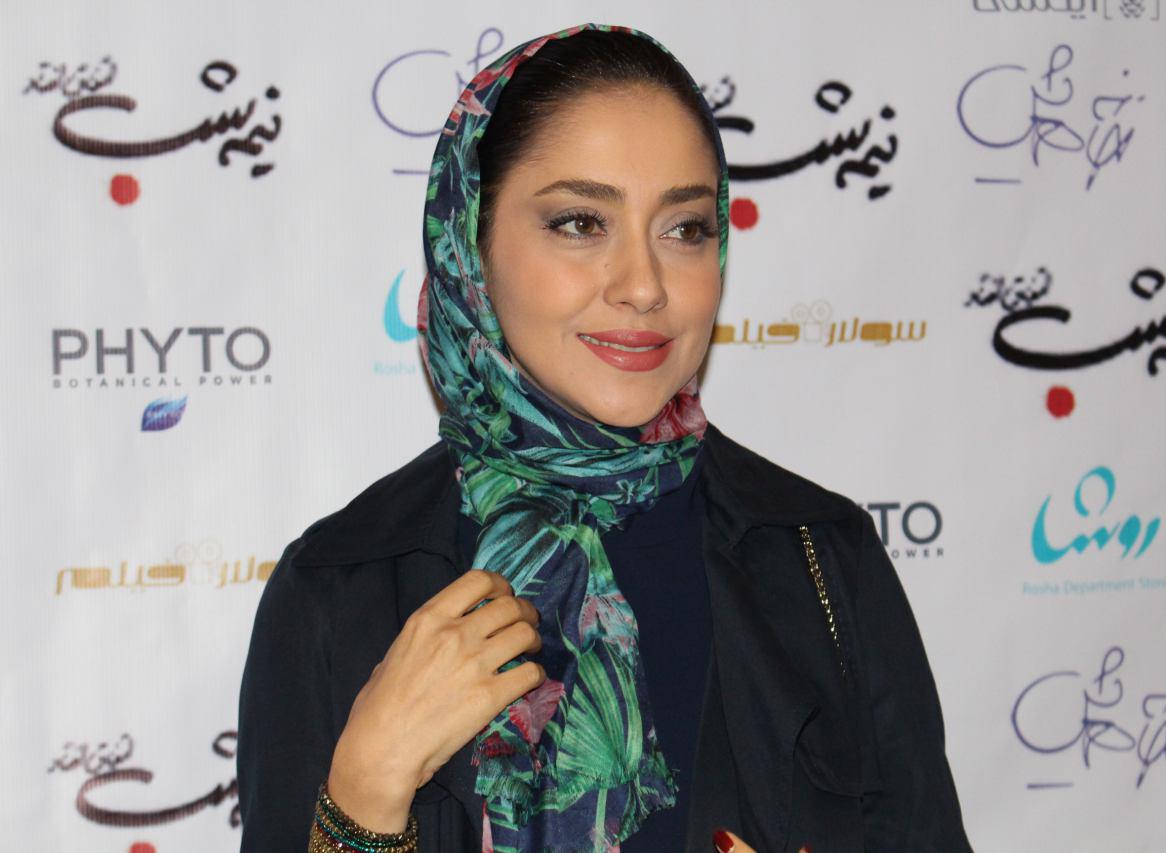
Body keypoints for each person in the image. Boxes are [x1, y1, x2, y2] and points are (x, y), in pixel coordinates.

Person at [236, 22, 972, 853]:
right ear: (470, 243)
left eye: (684, 228)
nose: (644, 285)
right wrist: (366, 789)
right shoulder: (340, 586)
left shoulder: (821, 558)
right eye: (582, 222)